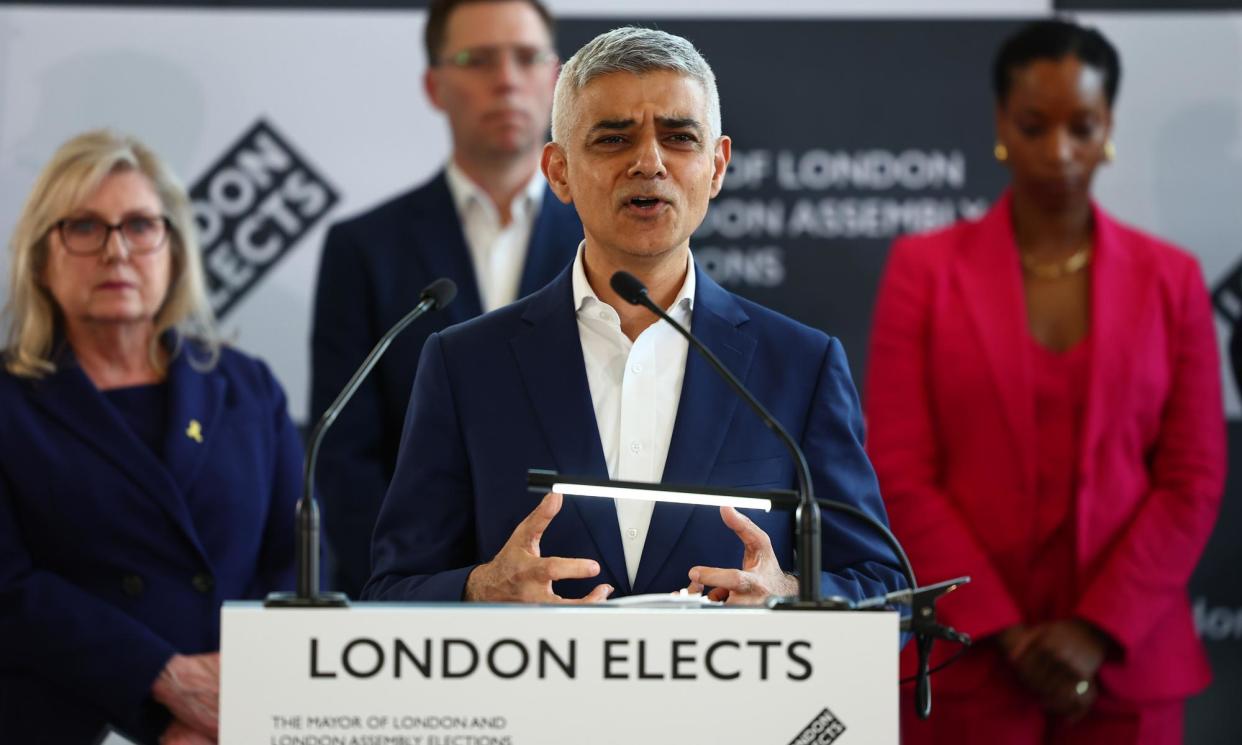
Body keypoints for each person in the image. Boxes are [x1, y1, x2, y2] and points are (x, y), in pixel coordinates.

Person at [364, 26, 904, 607]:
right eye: (613, 139)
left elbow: (884, 589)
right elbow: (393, 591)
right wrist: (479, 591)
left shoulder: (801, 365)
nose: (649, 162)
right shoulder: (466, 364)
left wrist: (789, 598)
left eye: (678, 137)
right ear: (559, 171)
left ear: (717, 166)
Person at [865, 19, 1225, 745]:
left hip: (1128, 662)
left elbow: (1192, 476)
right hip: (969, 663)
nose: (1059, 152)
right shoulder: (924, 271)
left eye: (1082, 127)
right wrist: (1005, 627)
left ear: (1108, 127)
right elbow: (899, 469)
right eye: (1035, 126)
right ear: (1002, 122)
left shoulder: (1172, 279)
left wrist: (1098, 626)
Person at [0, 130, 301, 744]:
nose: (117, 252)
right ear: (40, 256)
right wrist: (163, 684)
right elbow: (8, 588)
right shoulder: (8, 400)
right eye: (84, 227)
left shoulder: (246, 388)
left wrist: (242, 691)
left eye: (140, 226)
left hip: (238, 721)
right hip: (66, 721)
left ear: (175, 250)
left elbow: (298, 559)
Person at [310, 0, 581, 599]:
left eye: (526, 57)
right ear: (435, 85)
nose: (506, 79)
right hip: (422, 602)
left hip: (584, 596)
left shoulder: (611, 239)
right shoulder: (364, 248)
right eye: (476, 60)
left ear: (557, 79)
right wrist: (397, 588)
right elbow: (345, 453)